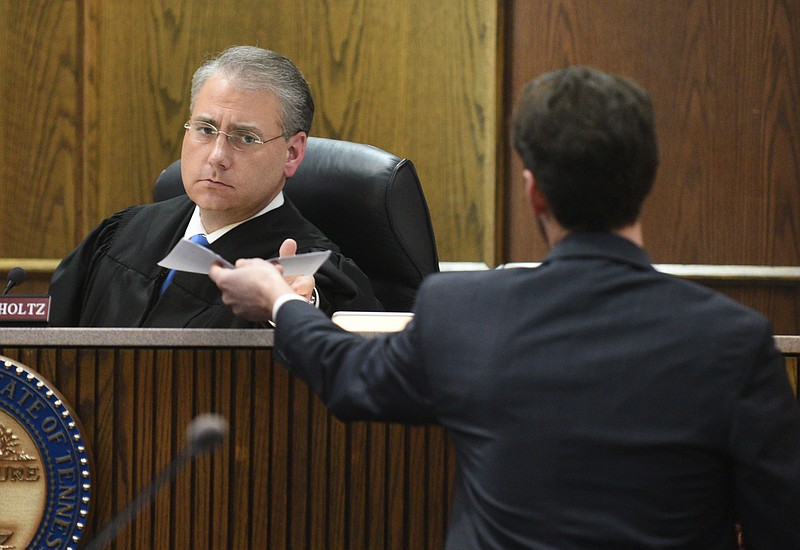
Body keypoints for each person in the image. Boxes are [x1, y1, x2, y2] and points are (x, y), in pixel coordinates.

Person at [209, 66, 800, 547]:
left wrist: (281, 300)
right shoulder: (736, 340)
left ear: (533, 191)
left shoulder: (468, 315)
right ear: (649, 178)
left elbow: (347, 377)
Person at [48, 45, 381, 327]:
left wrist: (290, 310)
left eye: (245, 137)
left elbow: (356, 355)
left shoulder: (306, 269)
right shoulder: (124, 234)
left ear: (292, 153)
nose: (217, 156)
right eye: (205, 129)